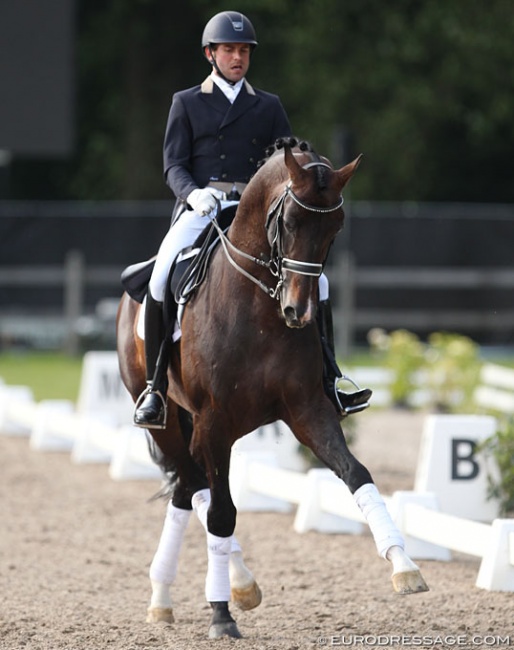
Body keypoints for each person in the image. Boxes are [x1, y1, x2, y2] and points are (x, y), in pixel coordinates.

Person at [133, 10, 371, 428]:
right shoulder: (186, 102)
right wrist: (193, 194)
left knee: (323, 282)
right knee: (160, 274)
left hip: (257, 212)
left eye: (243, 51)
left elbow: (288, 159)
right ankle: (155, 387)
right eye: (229, 50)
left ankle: (331, 379)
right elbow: (173, 165)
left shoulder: (267, 106)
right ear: (211, 54)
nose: (237, 57)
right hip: (203, 205)